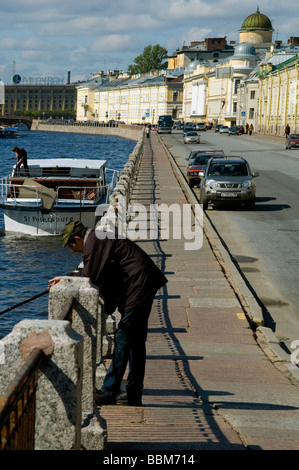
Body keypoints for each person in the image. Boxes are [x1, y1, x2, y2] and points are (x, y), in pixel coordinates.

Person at [48, 220, 167, 406]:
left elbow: (90, 276)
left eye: (71, 245)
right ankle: (134, 394)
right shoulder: (97, 237)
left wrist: (65, 277)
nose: (72, 250)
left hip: (138, 284)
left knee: (124, 338)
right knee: (136, 341)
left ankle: (109, 391)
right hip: (142, 281)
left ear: (78, 238)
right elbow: (101, 273)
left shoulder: (94, 241)